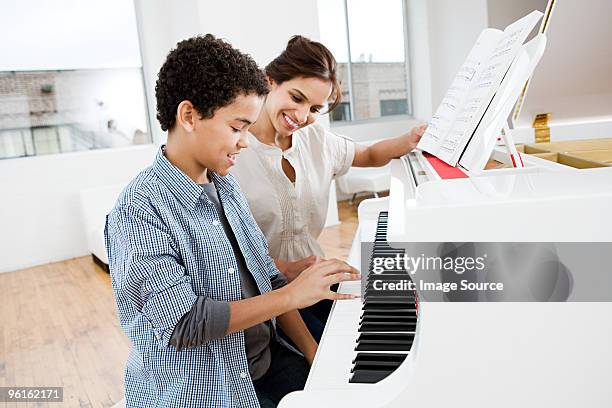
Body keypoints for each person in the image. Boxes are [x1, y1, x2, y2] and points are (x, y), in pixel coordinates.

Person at [104, 34, 359, 408]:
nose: (244, 142)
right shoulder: (139, 211)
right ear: (189, 116)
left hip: (266, 362)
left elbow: (268, 280)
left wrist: (313, 355)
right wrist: (293, 292)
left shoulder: (225, 185)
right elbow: (185, 323)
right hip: (208, 392)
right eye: (237, 127)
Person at [231, 35, 426, 334]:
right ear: (270, 82)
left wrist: (408, 140)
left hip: (314, 280)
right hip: (261, 294)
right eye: (297, 98)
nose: (302, 116)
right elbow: (224, 245)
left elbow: (370, 154)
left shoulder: (316, 139)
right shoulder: (233, 150)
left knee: (380, 321)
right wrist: (282, 268)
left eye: (313, 108)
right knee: (329, 350)